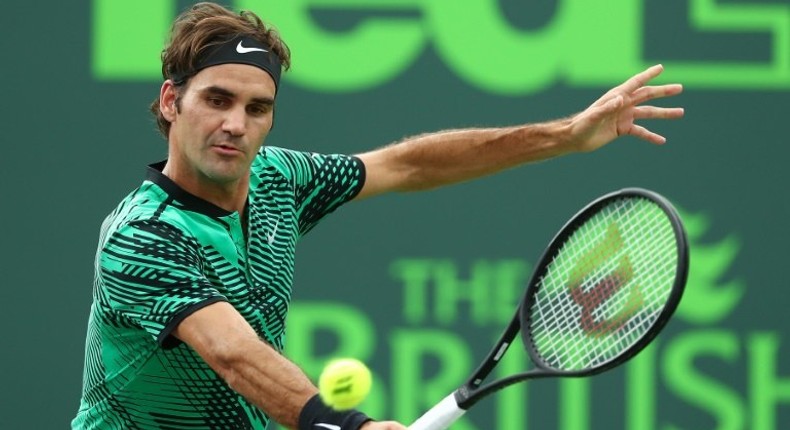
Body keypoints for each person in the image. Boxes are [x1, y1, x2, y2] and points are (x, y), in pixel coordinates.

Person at [72, 2, 684, 429]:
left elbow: (408, 165)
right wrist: (342, 425)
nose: (236, 124)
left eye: (257, 108)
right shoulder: (144, 235)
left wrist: (566, 136)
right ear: (171, 100)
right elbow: (235, 355)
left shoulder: (277, 180)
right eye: (217, 100)